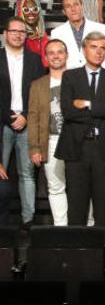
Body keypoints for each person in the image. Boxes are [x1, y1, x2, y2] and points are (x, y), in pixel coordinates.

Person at [56, 31, 105, 227]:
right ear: (84, 50)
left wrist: (87, 103)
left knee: (104, 207)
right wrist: (104, 106)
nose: (99, 52)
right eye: (94, 47)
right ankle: (76, 252)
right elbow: (68, 111)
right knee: (77, 207)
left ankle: (103, 253)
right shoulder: (70, 76)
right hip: (77, 149)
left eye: (103, 48)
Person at [2, 17, 47, 228]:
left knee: (27, 174)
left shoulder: (35, 60)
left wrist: (26, 116)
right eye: (14, 31)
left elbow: (39, 93)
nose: (18, 34)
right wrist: (8, 116)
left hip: (27, 122)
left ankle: (28, 221)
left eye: (22, 31)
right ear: (5, 33)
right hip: (2, 124)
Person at [27, 39, 70, 225]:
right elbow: (33, 117)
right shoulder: (37, 85)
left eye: (59, 52)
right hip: (50, 141)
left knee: (82, 186)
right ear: (45, 58)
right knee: (55, 187)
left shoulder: (77, 78)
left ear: (66, 55)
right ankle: (62, 228)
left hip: (75, 140)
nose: (56, 56)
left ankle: (86, 227)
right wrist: (34, 147)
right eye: (51, 53)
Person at [51, 0, 105, 70]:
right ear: (64, 12)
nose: (73, 9)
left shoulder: (100, 29)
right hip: (68, 79)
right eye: (68, 6)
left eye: (76, 4)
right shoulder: (56, 33)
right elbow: (56, 63)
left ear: (82, 6)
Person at [15, 0, 49, 66]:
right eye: (26, 10)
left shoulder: (42, 34)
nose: (31, 13)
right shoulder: (18, 35)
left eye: (35, 9)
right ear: (21, 12)